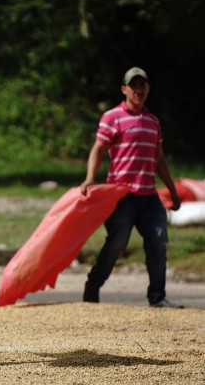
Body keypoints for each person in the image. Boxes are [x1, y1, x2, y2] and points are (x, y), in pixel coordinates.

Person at [80, 67, 183, 308]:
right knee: (118, 242)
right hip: (122, 195)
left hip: (149, 195)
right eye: (133, 86)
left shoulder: (153, 121)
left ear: (148, 89)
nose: (138, 90)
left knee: (158, 241)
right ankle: (93, 285)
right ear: (124, 89)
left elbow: (159, 159)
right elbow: (98, 148)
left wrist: (173, 190)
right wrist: (89, 178)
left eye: (142, 86)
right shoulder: (112, 117)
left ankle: (157, 296)